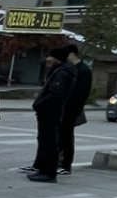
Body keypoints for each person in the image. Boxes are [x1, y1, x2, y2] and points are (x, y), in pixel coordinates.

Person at [23, 46, 77, 183]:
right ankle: (43, 169)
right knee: (45, 141)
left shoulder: (62, 73)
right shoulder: (60, 70)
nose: (47, 59)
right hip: (48, 111)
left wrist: (40, 103)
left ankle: (48, 172)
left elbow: (55, 94)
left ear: (56, 58)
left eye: (50, 56)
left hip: (50, 112)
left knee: (49, 142)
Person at [57, 44, 92, 175]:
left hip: (72, 109)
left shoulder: (83, 70)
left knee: (67, 137)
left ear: (72, 54)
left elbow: (82, 93)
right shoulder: (70, 68)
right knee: (60, 136)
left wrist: (75, 110)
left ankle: (66, 165)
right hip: (64, 107)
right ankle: (58, 162)